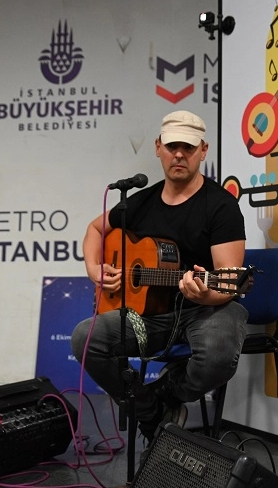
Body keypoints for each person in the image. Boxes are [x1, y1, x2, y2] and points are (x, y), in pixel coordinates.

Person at [71, 110, 248, 444]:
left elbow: (228, 280)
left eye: (188, 146)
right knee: (85, 338)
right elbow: (95, 229)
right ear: (158, 147)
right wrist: (95, 269)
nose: (178, 154)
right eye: (171, 146)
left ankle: (168, 393)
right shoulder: (140, 202)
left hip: (205, 308)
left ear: (203, 150)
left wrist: (203, 294)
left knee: (218, 354)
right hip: (151, 316)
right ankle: (150, 412)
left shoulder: (221, 206)